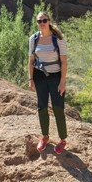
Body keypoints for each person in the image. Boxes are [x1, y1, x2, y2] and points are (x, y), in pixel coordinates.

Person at [28, 11, 68, 154]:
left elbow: (63, 62)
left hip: (55, 76)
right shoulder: (34, 38)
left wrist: (62, 82)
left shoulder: (58, 39)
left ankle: (62, 140)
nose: (42, 23)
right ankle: (45, 137)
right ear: (37, 23)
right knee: (42, 107)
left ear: (49, 21)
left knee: (58, 107)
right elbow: (31, 60)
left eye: (44, 20)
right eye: (39, 21)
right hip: (40, 76)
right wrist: (31, 79)